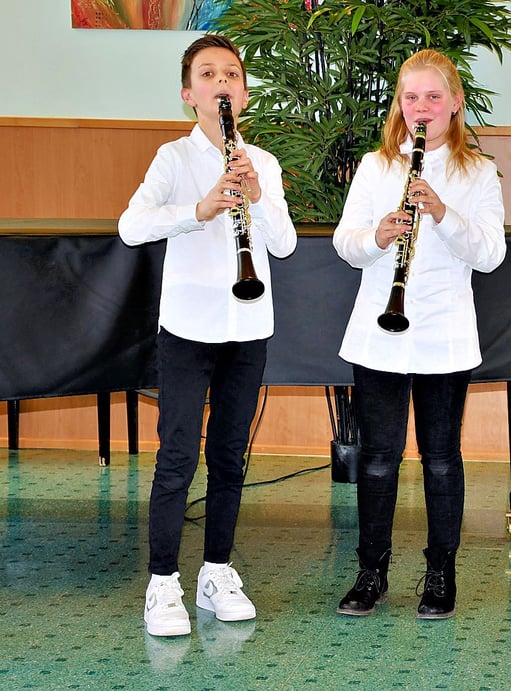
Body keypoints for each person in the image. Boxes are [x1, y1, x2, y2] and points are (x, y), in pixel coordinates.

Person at [119, 34, 297, 638]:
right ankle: (163, 582)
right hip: (188, 328)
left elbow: (287, 244)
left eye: (231, 75)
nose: (221, 83)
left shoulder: (263, 163)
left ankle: (216, 571)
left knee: (228, 457)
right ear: (189, 94)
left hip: (249, 328)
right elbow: (130, 226)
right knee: (176, 457)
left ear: (243, 94)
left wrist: (257, 197)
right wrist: (195, 212)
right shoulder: (173, 158)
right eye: (207, 74)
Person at [332, 48, 506, 620]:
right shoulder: (376, 166)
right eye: (411, 97)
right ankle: (371, 570)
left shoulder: (477, 172)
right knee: (378, 459)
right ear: (399, 104)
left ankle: (439, 575)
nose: (421, 108)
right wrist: (378, 235)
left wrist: (443, 213)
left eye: (434, 96)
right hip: (379, 331)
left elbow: (490, 254)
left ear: (455, 103)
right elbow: (345, 244)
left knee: (440, 459)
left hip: (443, 331)